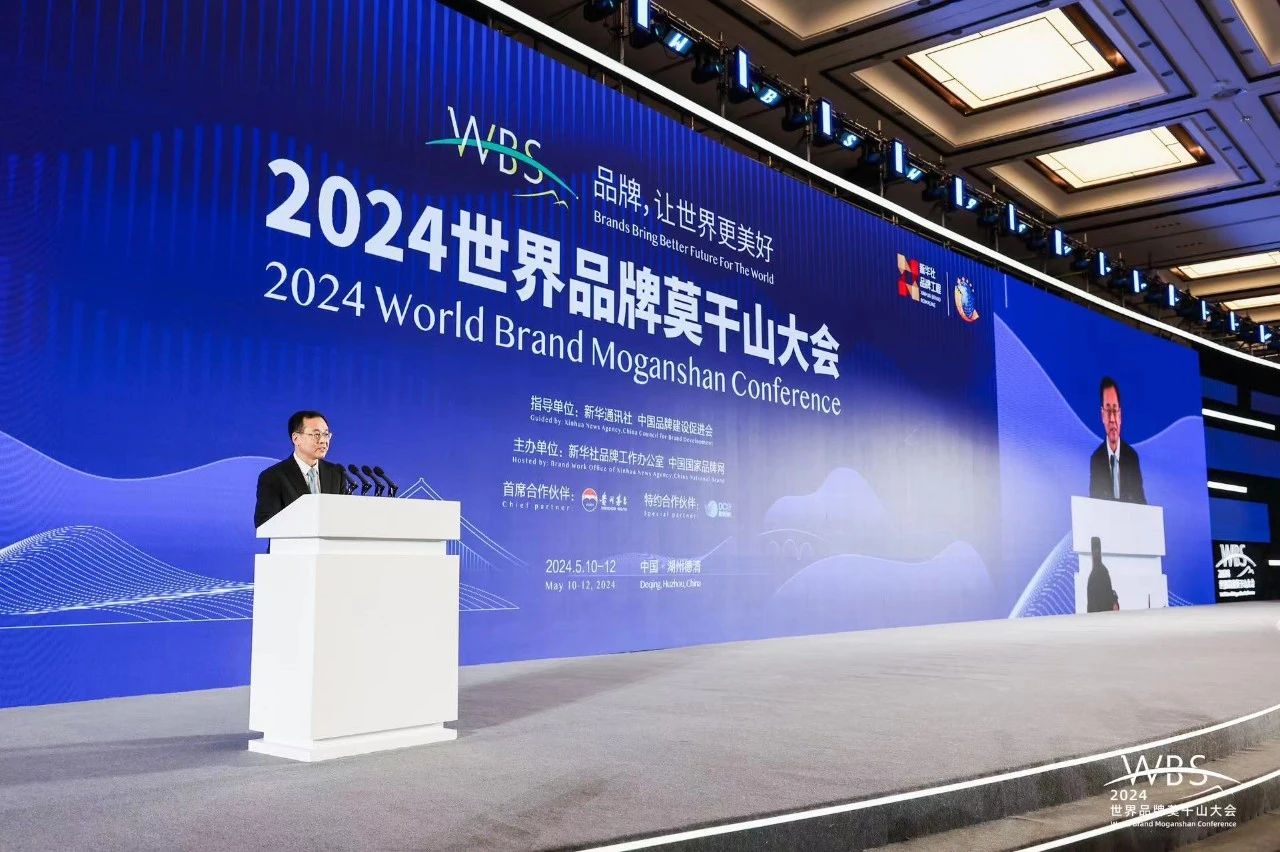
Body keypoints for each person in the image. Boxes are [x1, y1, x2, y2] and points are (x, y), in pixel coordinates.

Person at [254, 410, 347, 527]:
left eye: (326, 434)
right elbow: (265, 523)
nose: (323, 440)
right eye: (316, 434)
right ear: (296, 439)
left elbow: (345, 517)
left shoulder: (337, 473)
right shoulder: (273, 477)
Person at [1088, 377, 1146, 504]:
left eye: (1114, 410)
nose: (1112, 419)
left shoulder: (1132, 458)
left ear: (1120, 415)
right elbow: (1094, 506)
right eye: (1108, 411)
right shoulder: (1096, 460)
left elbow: (1141, 504)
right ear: (1102, 415)